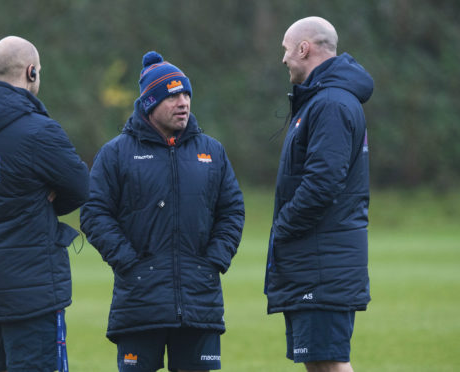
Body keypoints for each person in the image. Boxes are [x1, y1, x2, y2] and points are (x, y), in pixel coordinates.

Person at [81, 51, 245, 372]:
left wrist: (214, 260)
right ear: (149, 104)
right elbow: (94, 213)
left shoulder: (212, 151)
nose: (183, 102)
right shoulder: (115, 154)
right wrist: (128, 262)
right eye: (172, 96)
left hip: (200, 301)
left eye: (186, 93)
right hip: (139, 301)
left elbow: (232, 211)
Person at [0, 35, 89, 372]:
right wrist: (44, 204)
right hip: (30, 290)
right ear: (31, 72)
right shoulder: (39, 131)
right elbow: (80, 186)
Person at [264, 17, 373, 372]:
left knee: (330, 364)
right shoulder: (319, 101)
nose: (283, 59)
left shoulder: (331, 104)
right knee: (317, 363)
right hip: (312, 258)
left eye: (285, 49)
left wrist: (284, 226)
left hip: (323, 260)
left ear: (303, 48)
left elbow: (323, 182)